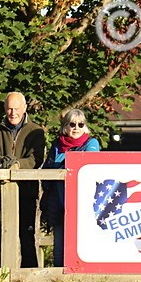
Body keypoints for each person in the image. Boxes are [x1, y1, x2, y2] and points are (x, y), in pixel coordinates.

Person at [0, 92, 46, 268]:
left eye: (16, 109)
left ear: (25, 108)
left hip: (25, 191)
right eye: (9, 109)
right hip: (0, 191)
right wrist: (2, 162)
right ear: (5, 109)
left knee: (27, 237)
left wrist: (17, 165)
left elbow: (36, 159)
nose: (13, 113)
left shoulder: (36, 131)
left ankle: (30, 273)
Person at [41, 108, 100, 268]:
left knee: (82, 243)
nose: (76, 128)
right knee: (59, 246)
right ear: (65, 126)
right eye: (72, 124)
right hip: (58, 202)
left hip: (82, 204)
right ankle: (59, 276)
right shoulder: (56, 146)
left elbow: (87, 165)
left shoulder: (92, 144)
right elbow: (47, 169)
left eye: (80, 124)